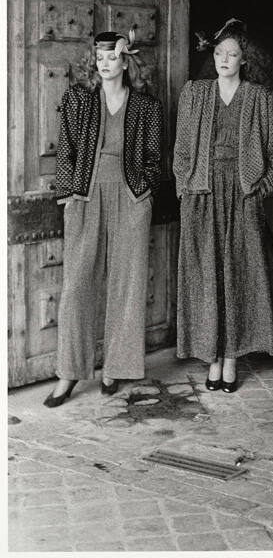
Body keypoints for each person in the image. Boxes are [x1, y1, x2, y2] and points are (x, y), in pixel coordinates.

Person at [44, 30, 163, 407]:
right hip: (84, 195)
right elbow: (66, 150)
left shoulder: (146, 106)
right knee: (77, 285)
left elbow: (153, 159)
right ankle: (68, 373)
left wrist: (140, 192)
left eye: (112, 57)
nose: (105, 63)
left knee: (126, 285)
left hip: (129, 199)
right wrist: (68, 196)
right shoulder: (78, 99)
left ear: (126, 61)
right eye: (100, 57)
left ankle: (116, 367)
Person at [173, 18, 273, 392]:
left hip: (241, 195)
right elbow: (182, 148)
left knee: (238, 274)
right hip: (202, 194)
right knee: (207, 274)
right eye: (220, 52)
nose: (225, 59)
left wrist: (260, 189)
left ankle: (234, 357)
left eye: (232, 54)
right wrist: (185, 189)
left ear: (243, 60)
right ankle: (212, 356)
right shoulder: (195, 94)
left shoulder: (259, 98)